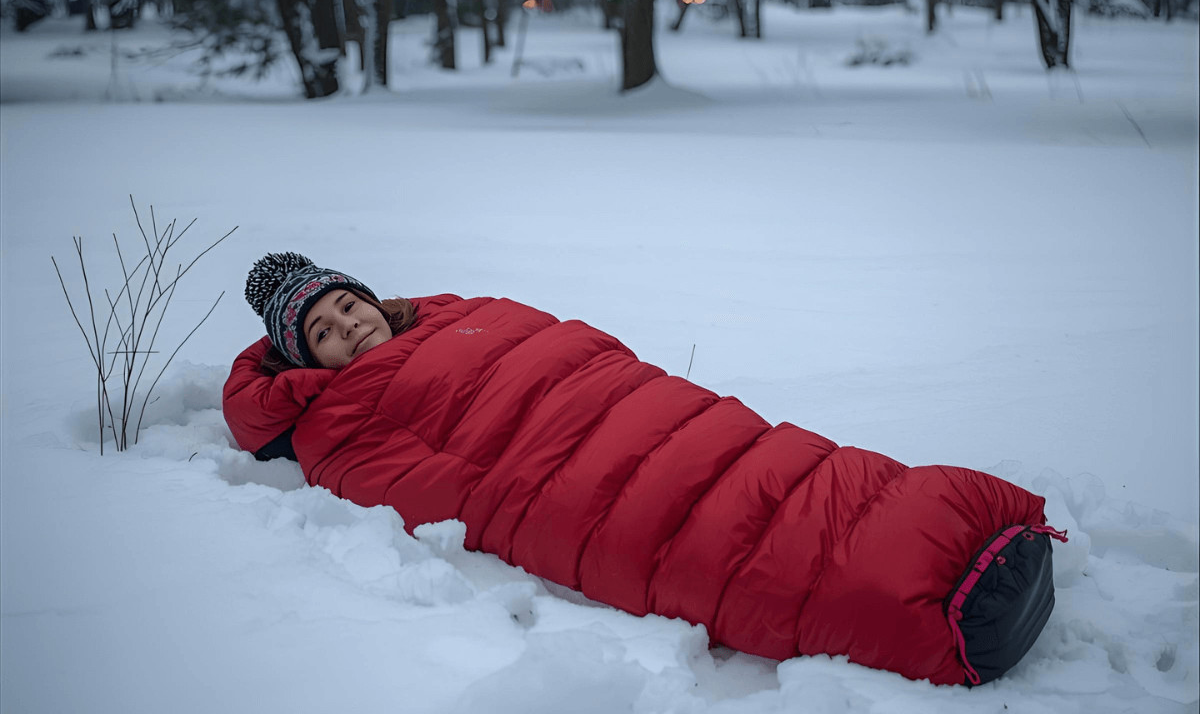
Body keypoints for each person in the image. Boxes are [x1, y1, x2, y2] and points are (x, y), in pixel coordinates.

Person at [223, 252, 1061, 686]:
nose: (350, 326)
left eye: (347, 304)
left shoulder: (460, 312)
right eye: (326, 332)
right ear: (307, 358)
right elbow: (447, 490)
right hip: (578, 485)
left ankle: (943, 523)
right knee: (723, 536)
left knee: (767, 465)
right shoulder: (338, 424)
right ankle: (916, 597)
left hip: (634, 409)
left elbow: (592, 359)